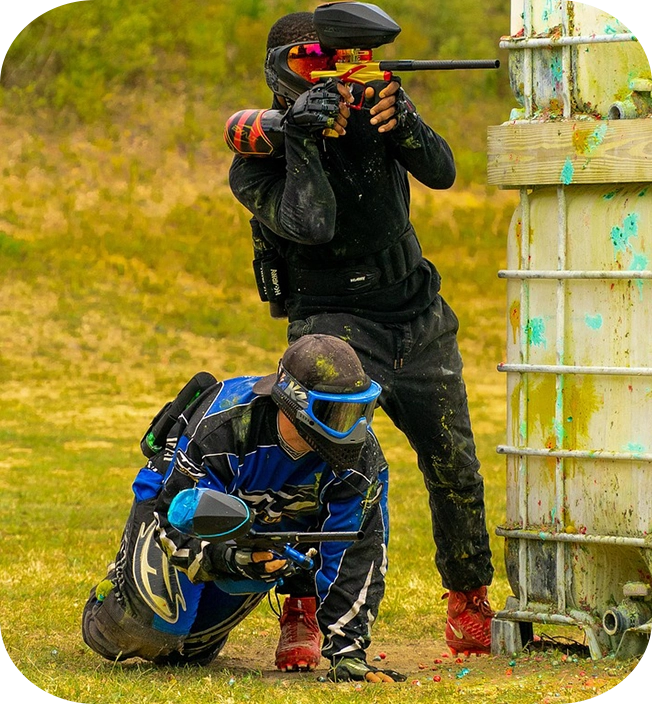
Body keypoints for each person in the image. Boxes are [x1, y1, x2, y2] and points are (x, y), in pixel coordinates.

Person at [226, 4, 495, 667]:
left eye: (333, 61)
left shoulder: (373, 114)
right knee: (319, 468)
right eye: (307, 64)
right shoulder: (255, 163)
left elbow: (443, 170)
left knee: (455, 466)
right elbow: (311, 224)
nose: (327, 76)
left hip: (417, 314)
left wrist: (405, 121)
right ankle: (303, 610)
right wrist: (308, 139)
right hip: (332, 327)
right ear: (279, 74)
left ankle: (468, 601)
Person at [81, 334, 406, 683]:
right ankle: (111, 594)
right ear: (293, 403)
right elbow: (175, 521)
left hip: (258, 534)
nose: (352, 430)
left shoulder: (361, 459)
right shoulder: (225, 427)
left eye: (360, 412)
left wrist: (348, 654)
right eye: (337, 414)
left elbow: (357, 550)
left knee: (189, 654)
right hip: (171, 513)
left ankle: (194, 626)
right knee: (141, 634)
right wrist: (229, 560)